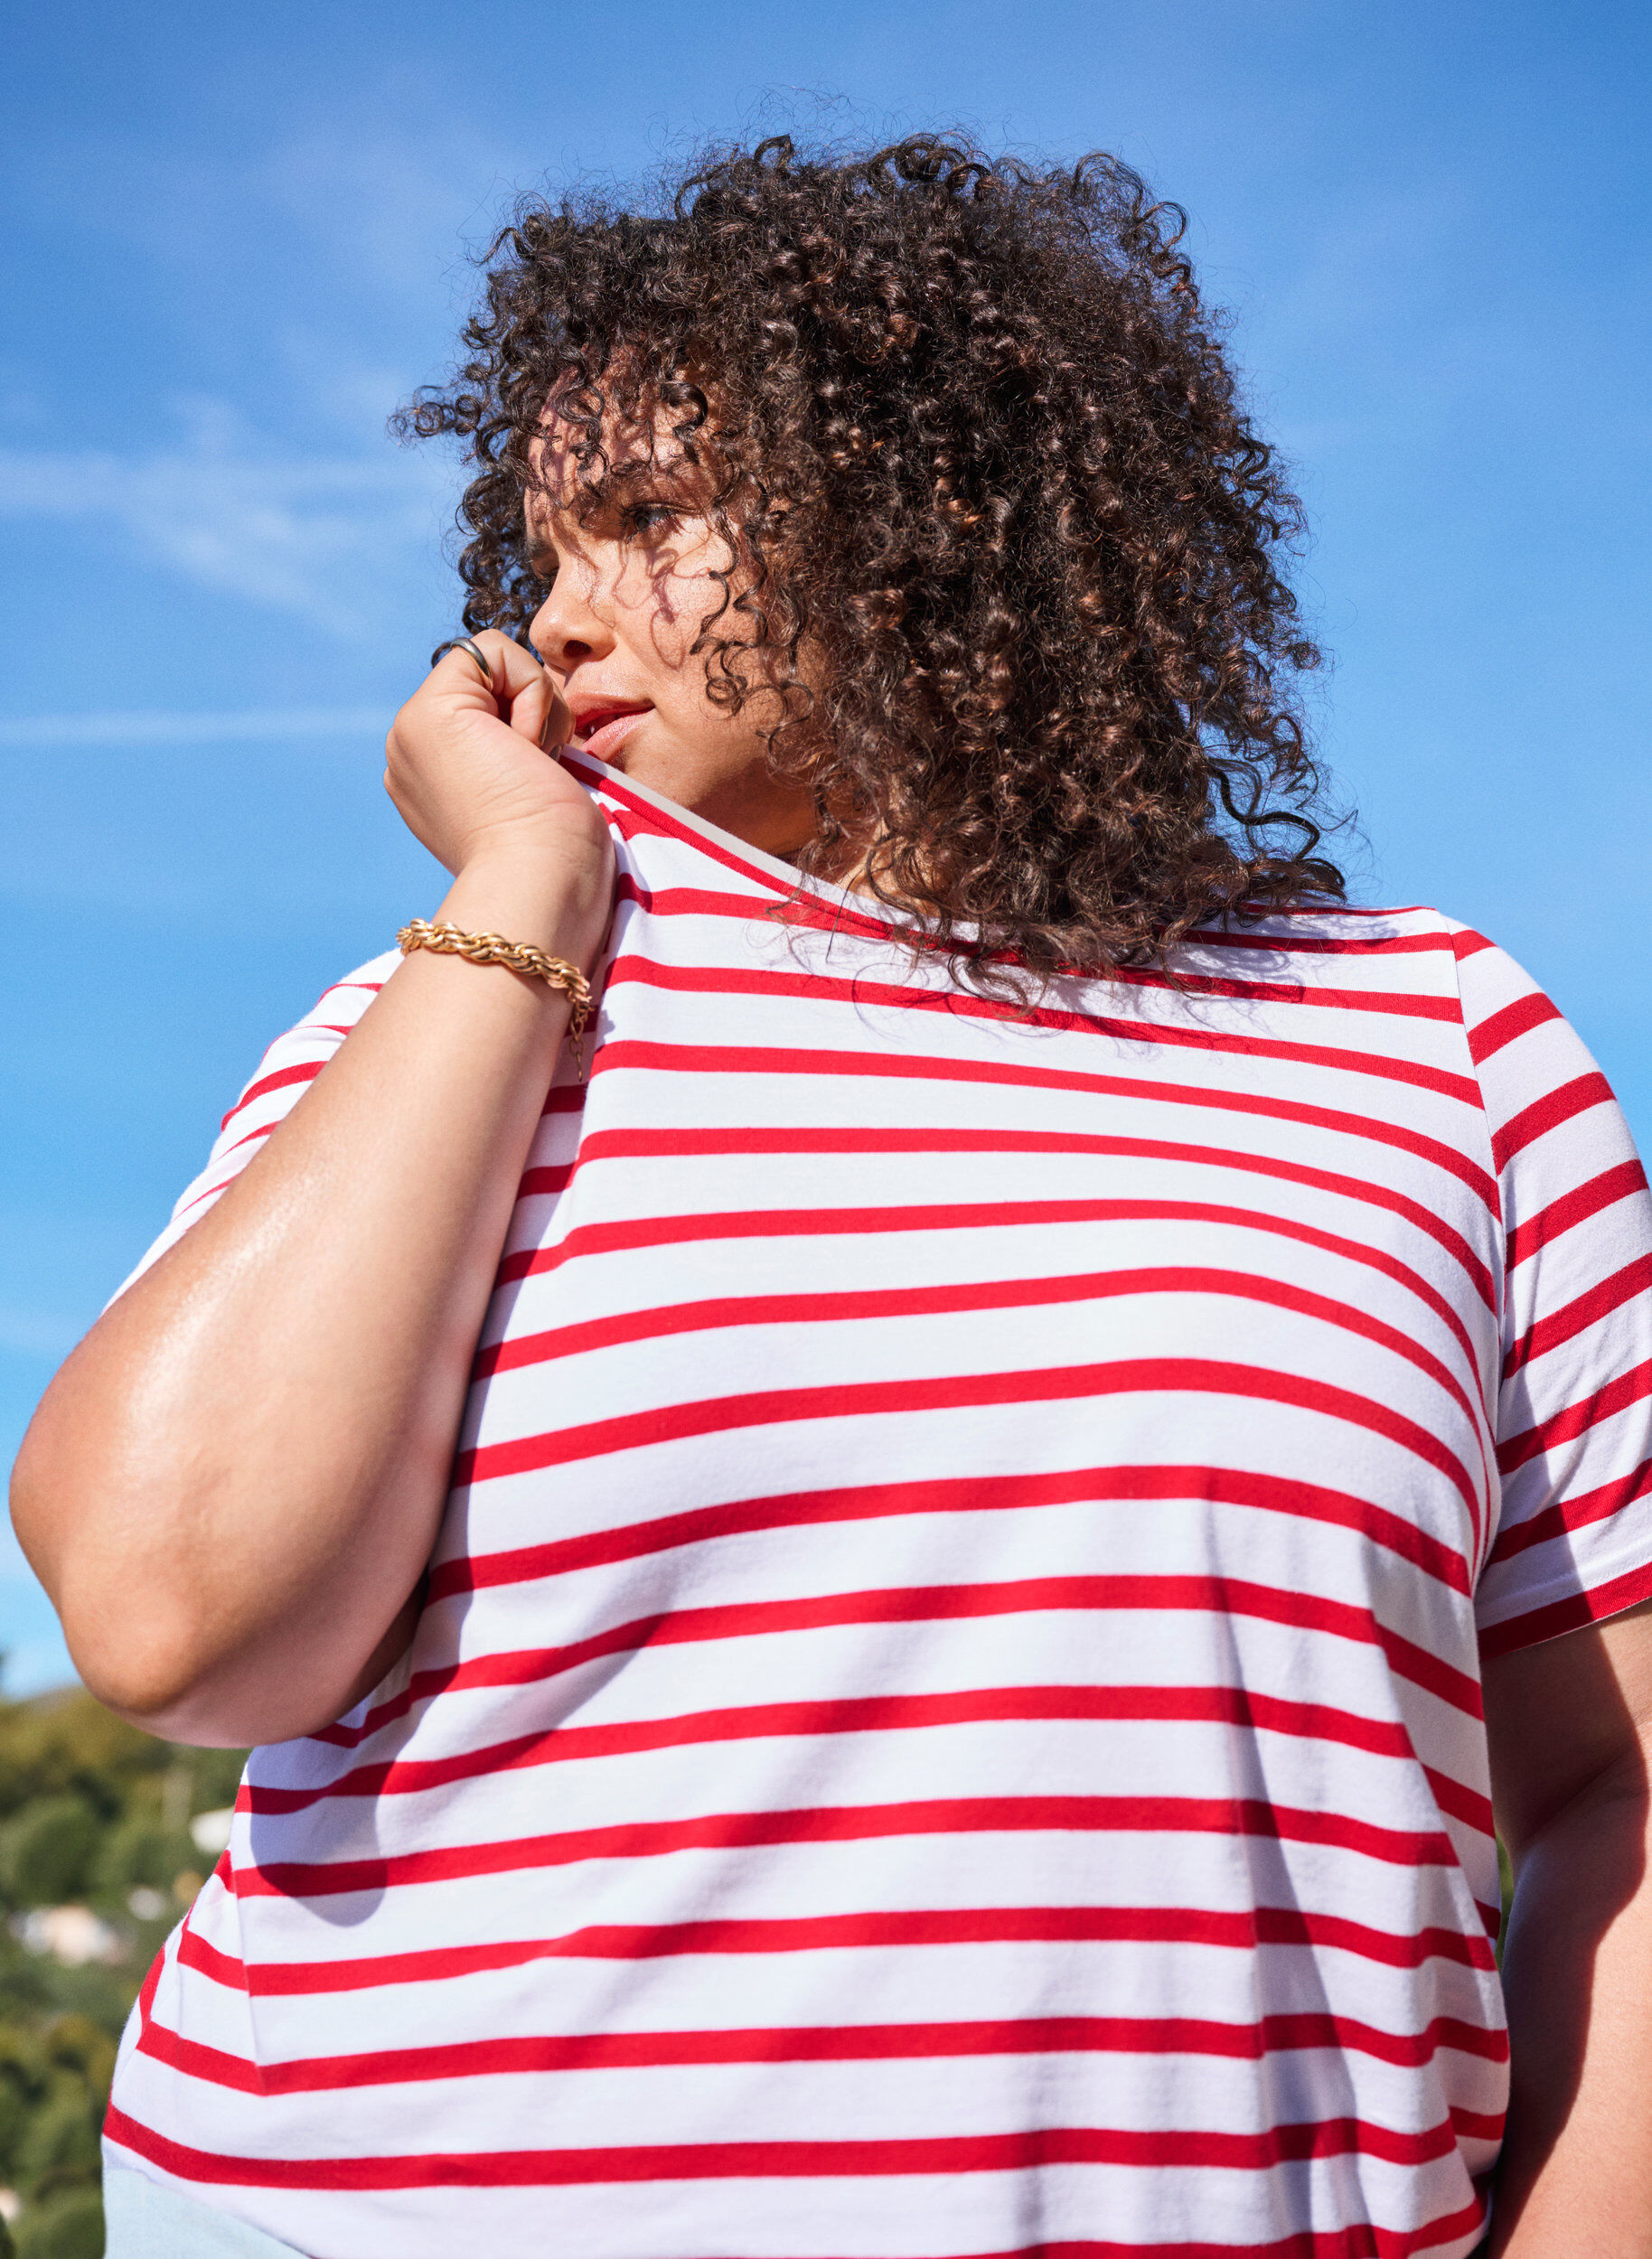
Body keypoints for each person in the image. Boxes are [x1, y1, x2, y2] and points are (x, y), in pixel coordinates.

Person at [11, 133, 1652, 2259]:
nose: (554, 617)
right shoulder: (467, 1008)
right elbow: (171, 1617)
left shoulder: (1432, 1039)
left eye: (642, 519)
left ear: (928, 509)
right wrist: (521, 883)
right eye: (539, 546)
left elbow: (1616, 1788)